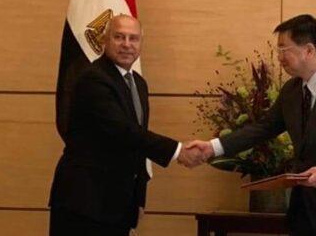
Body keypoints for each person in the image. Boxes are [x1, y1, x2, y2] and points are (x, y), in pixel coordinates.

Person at [188, 14, 316, 236]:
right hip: (303, 211)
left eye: (283, 49)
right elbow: (264, 128)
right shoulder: (292, 90)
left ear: (308, 50)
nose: (279, 57)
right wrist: (213, 147)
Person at [49, 14, 203, 236]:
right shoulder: (93, 78)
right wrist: (178, 151)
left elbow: (137, 146)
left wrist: (138, 199)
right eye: (119, 37)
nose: (126, 44)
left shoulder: (138, 84)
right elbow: (124, 132)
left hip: (117, 205)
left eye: (133, 38)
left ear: (141, 43)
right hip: (84, 202)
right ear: (105, 40)